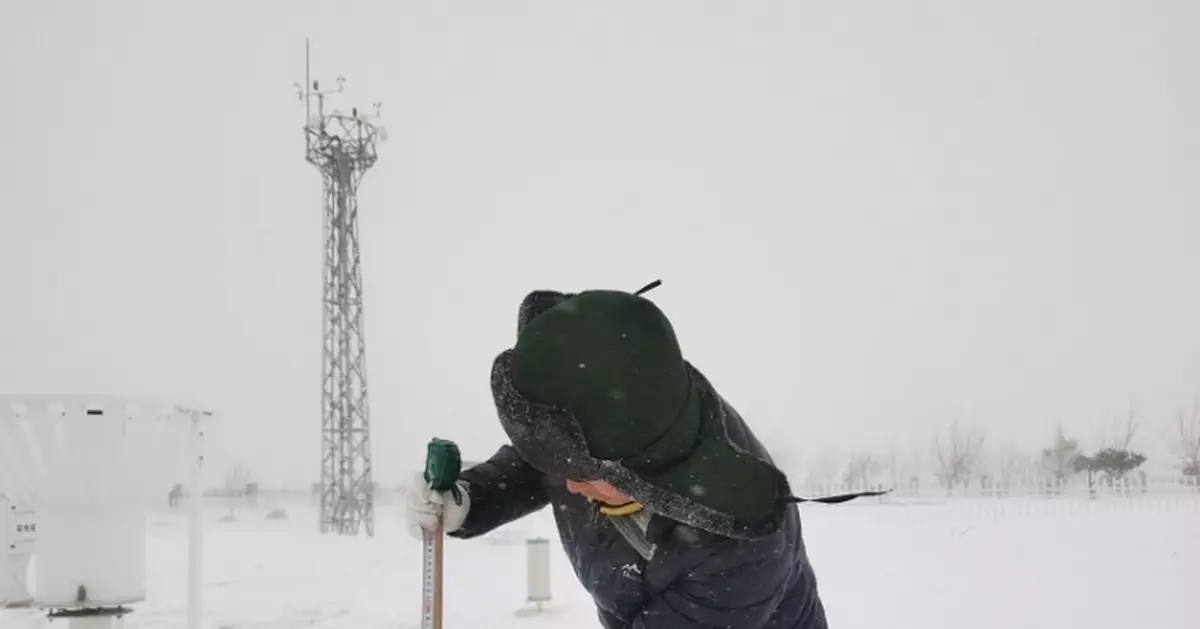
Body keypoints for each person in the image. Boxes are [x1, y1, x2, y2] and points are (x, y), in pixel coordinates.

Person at [405, 284, 881, 629]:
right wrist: (473, 499)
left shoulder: (738, 552)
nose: (569, 485)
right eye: (563, 466)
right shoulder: (595, 421)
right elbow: (542, 459)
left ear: (647, 470)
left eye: (584, 474)